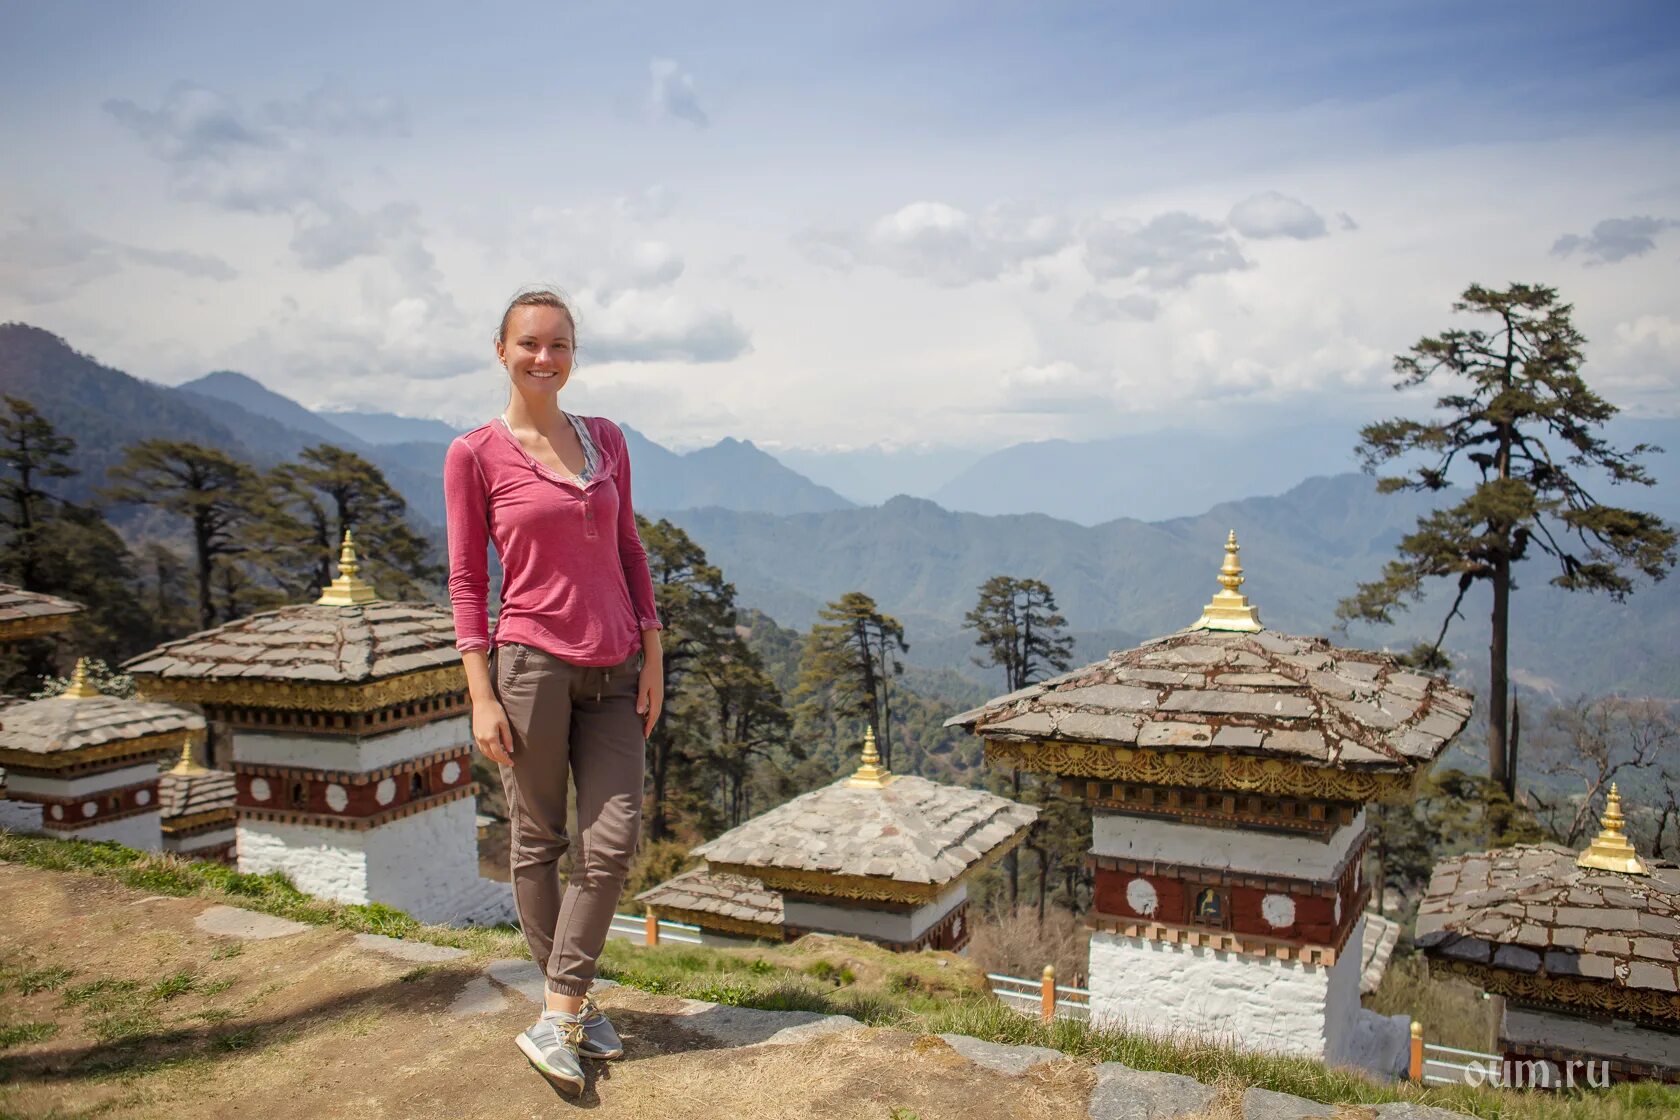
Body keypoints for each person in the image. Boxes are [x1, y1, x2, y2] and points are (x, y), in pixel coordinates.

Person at [444, 287, 663, 1094]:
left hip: (614, 670)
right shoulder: (475, 454)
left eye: (560, 344)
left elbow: (631, 549)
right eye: (529, 343)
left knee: (610, 842)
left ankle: (559, 1008)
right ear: (500, 351)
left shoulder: (605, 440)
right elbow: (469, 581)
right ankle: (568, 1004)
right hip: (528, 666)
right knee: (537, 841)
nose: (545, 357)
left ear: (575, 354)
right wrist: (481, 693)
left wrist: (653, 653)